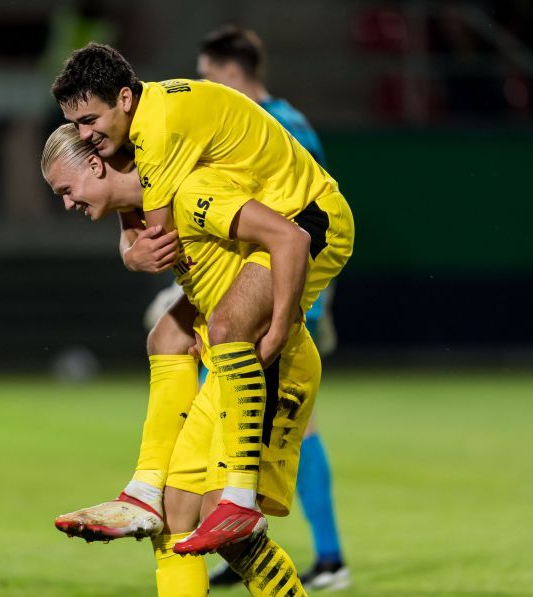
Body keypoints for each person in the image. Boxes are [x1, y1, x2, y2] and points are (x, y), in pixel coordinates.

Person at [51, 42, 348, 554]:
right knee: (165, 334)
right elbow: (141, 231)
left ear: (124, 98)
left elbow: (161, 239)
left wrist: (278, 327)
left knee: (232, 326)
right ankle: (145, 490)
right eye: (75, 125)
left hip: (305, 218)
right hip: (266, 235)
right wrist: (131, 252)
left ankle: (243, 501)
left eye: (89, 120)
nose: (85, 136)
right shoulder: (141, 135)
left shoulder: (162, 140)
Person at [193, 26, 350, 591]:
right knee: (273, 417)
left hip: (284, 290)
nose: (208, 88)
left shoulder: (267, 126)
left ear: (231, 73)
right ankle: (255, 543)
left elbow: (290, 222)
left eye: (210, 76)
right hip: (292, 287)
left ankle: (307, 553)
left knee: (273, 416)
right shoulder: (294, 119)